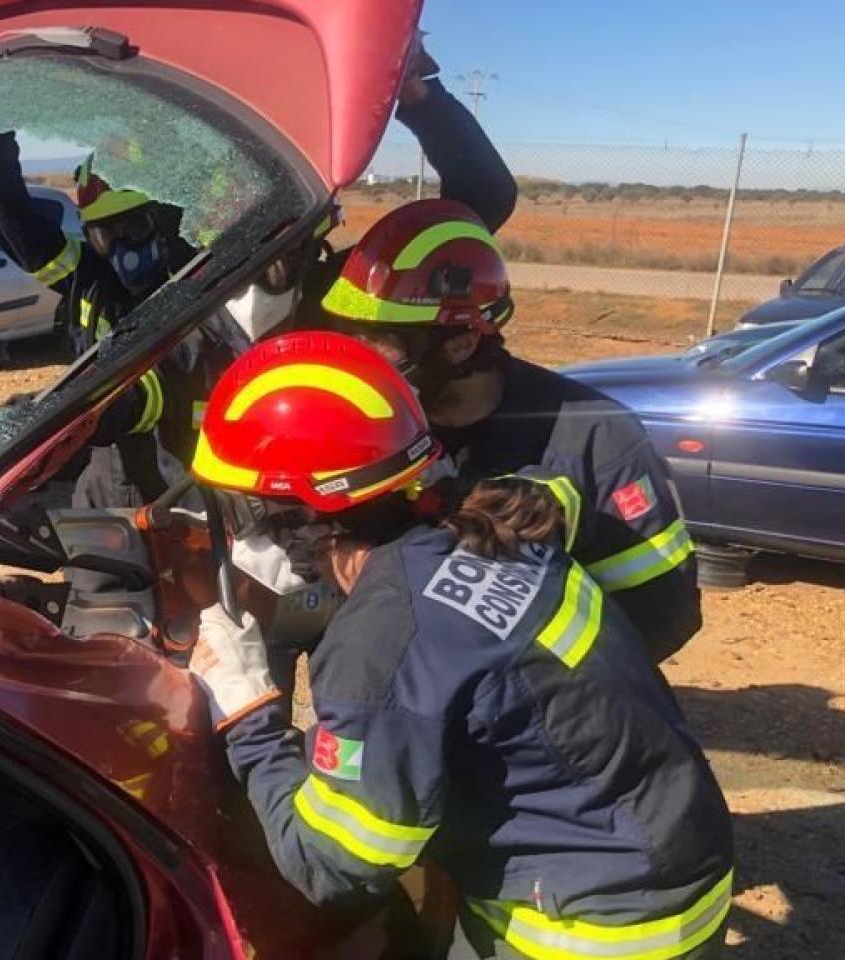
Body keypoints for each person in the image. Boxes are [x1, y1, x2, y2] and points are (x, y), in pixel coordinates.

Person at [188, 331, 735, 960]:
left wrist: (250, 720)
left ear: (303, 514)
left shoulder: (385, 641)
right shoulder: (491, 525)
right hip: (674, 864)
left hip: (589, 931)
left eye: (244, 505)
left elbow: (334, 865)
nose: (242, 528)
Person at [0, 37, 518, 508]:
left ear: (183, 218)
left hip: (286, 500)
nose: (121, 251)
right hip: (151, 491)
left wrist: (421, 96)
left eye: (136, 230)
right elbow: (12, 223)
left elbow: (481, 198)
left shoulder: (295, 281)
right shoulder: (94, 282)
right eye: (103, 234)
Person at [313, 198, 701, 662]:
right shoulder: (368, 426)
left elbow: (662, 612)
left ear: (461, 342)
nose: (359, 361)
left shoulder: (596, 437)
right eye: (350, 334)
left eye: (381, 341)